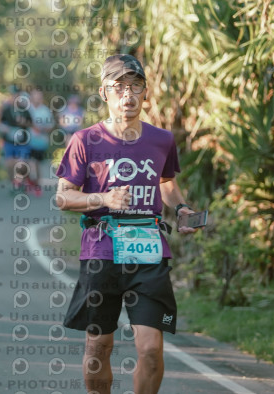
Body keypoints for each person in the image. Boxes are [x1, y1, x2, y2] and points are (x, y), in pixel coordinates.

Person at [55, 54, 199, 394]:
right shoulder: (85, 140)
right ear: (104, 93)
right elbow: (63, 197)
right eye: (119, 87)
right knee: (98, 348)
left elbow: (166, 182)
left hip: (149, 253)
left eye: (136, 86)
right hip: (101, 253)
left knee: (151, 351)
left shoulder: (161, 140)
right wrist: (103, 199)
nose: (128, 95)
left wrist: (182, 209)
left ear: (145, 92)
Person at [0, 86, 33, 193]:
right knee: (9, 164)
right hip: (9, 142)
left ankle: (20, 182)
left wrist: (24, 123)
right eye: (12, 95)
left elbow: (31, 123)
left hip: (22, 142)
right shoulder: (5, 109)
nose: (14, 97)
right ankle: (15, 183)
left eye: (16, 95)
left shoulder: (24, 109)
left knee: (21, 163)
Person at [27, 88, 54, 197]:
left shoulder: (45, 111)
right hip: (27, 141)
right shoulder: (27, 109)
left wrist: (42, 129)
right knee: (28, 163)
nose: (37, 98)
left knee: (36, 164)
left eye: (39, 96)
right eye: (35, 96)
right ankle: (29, 181)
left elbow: (50, 126)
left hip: (40, 142)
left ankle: (37, 185)